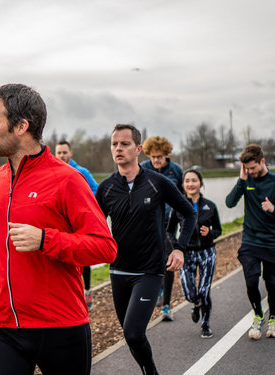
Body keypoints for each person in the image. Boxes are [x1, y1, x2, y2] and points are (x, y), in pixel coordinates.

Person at [0, 84, 117, 375]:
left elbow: (105, 247)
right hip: (4, 325)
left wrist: (45, 239)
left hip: (61, 326)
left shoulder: (67, 180)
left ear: (21, 126)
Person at [95, 124, 196, 375]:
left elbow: (189, 213)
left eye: (125, 143)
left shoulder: (158, 183)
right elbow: (93, 226)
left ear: (138, 149)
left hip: (149, 270)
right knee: (131, 337)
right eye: (114, 144)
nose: (118, 148)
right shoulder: (106, 188)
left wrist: (180, 249)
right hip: (118, 271)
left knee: (133, 331)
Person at [226, 144, 275, 340]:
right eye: (247, 168)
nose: (251, 172)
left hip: (272, 242)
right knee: (251, 282)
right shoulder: (246, 180)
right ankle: (258, 315)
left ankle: (273, 318)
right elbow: (229, 202)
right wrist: (242, 180)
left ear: (262, 161)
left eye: (253, 168)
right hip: (250, 241)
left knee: (271, 284)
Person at [167, 169, 222, 338]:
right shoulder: (178, 207)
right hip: (187, 253)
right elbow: (169, 231)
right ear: (183, 185)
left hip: (206, 252)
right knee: (190, 293)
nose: (191, 184)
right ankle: (196, 303)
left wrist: (210, 233)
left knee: (205, 291)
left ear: (201, 183)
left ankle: (205, 324)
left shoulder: (210, 206)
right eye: (187, 181)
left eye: (194, 180)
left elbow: (218, 229)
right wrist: (177, 247)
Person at [141, 136, 183, 321]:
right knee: (150, 259)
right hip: (148, 222)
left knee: (168, 260)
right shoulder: (143, 169)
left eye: (159, 156)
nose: (156, 160)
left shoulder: (176, 171)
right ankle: (156, 291)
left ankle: (166, 305)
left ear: (166, 155)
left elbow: (183, 198)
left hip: (168, 222)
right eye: (153, 157)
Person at [55, 140, 99, 309]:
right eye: (59, 153)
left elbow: (96, 191)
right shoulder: (53, 171)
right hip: (62, 224)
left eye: (64, 152)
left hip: (80, 222)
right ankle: (69, 295)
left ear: (71, 153)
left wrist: (82, 206)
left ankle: (87, 290)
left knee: (83, 256)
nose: (62, 156)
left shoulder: (82, 172)